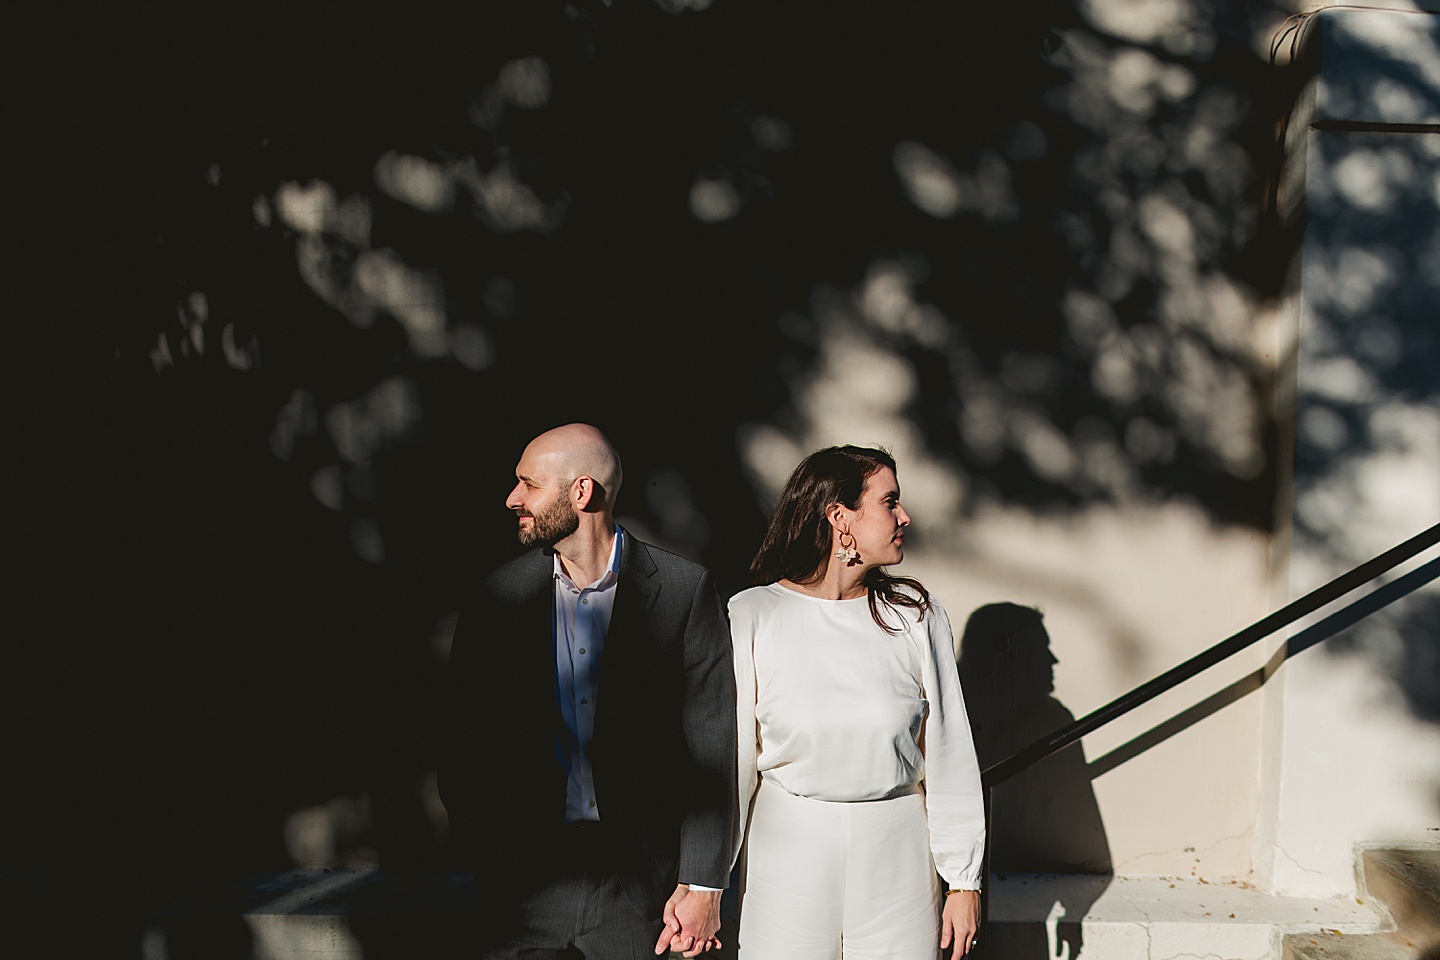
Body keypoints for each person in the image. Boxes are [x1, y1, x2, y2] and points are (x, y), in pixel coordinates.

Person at [439, 424, 738, 960]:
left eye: (528, 484)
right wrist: (489, 855)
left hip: (641, 896)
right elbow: (463, 738)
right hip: (522, 889)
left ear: (582, 492)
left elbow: (711, 742)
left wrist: (703, 885)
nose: (513, 499)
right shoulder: (498, 597)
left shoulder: (682, 592)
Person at [729, 445, 985, 960]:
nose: (904, 516)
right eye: (890, 501)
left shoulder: (917, 616)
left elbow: (949, 752)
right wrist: (704, 883)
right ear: (839, 517)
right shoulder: (753, 614)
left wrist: (964, 883)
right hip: (786, 854)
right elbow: (731, 762)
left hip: (899, 857)